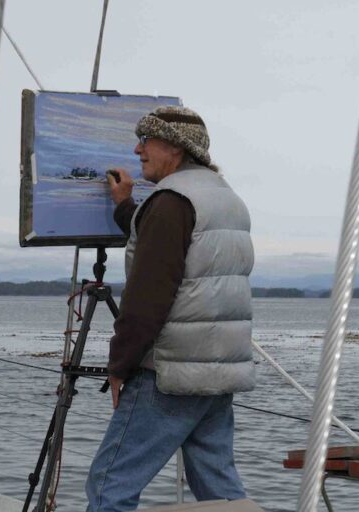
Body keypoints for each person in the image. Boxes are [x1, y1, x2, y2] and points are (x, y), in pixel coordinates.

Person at [85, 105, 255, 511]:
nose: (137, 149)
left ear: (175, 148)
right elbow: (177, 252)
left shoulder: (171, 202)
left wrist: (119, 366)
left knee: (110, 485)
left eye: (146, 141)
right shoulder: (226, 199)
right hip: (217, 372)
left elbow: (148, 296)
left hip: (170, 372)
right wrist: (127, 207)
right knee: (220, 489)